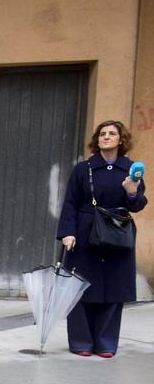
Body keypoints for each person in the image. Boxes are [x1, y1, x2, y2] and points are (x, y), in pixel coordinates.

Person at [56, 119, 147, 357]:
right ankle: (81, 342)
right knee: (80, 286)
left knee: (114, 288)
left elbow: (138, 205)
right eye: (102, 134)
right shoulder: (83, 169)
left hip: (117, 232)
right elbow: (71, 203)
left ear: (120, 140)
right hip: (85, 233)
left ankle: (106, 343)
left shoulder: (130, 169)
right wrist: (68, 232)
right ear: (97, 140)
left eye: (111, 134)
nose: (106, 137)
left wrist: (132, 191)